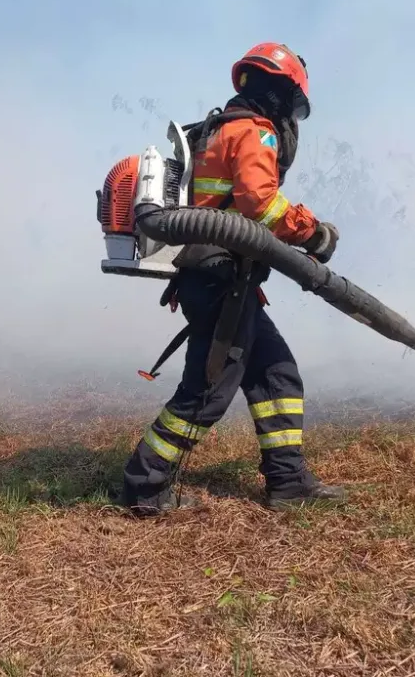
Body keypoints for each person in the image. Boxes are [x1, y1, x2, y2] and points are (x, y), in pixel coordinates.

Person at [119, 42, 346, 516]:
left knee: (276, 373)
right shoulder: (253, 132)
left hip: (226, 281)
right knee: (205, 395)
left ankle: (287, 480)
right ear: (281, 95)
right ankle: (144, 488)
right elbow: (259, 204)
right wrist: (314, 233)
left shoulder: (219, 130)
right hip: (223, 281)